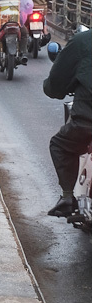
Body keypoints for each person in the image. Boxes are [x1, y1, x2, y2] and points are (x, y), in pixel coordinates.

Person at [43, 29, 92, 217]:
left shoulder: (83, 41)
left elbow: (55, 85)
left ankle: (67, 197)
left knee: (59, 145)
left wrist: (53, 89)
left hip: (87, 121)